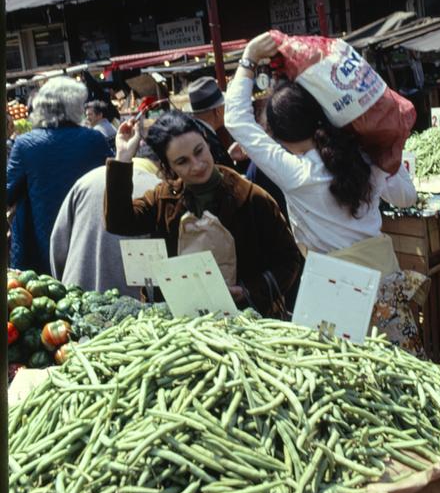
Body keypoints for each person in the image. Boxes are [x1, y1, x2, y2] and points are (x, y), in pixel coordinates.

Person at [225, 32, 427, 355]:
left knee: (348, 385)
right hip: (385, 286)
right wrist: (387, 152)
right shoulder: (363, 155)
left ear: (277, 135)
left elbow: (236, 119)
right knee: (400, 374)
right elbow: (407, 197)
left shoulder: (296, 173)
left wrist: (248, 59)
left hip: (335, 292)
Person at [104, 110, 303, 318]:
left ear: (207, 142)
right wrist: (123, 157)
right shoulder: (163, 200)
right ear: (168, 166)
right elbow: (119, 222)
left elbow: (289, 261)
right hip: (183, 326)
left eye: (199, 151)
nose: (197, 165)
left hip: (248, 323)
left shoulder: (251, 198)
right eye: (182, 162)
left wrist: (247, 291)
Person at [7, 76, 113, 275]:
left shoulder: (26, 144)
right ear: (75, 107)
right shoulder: (94, 140)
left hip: (40, 247)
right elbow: (113, 183)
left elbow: (8, 194)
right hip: (87, 238)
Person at [50, 144, 162, 295]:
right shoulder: (160, 192)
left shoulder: (87, 180)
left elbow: (58, 244)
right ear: (164, 165)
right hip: (133, 307)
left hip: (75, 295)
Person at [186, 77, 235, 168]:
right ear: (217, 111)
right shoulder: (207, 139)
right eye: (224, 106)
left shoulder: (197, 133)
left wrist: (229, 155)